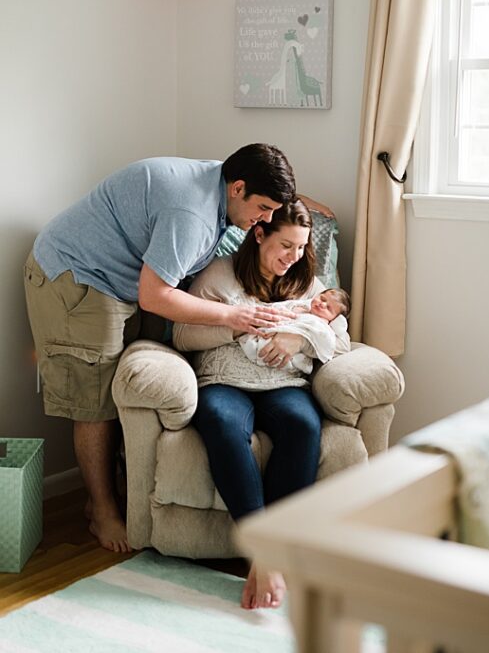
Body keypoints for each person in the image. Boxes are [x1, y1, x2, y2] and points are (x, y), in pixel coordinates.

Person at [23, 144, 300, 553]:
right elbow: (155, 296)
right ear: (238, 187)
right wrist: (231, 317)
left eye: (274, 212)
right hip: (77, 275)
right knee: (95, 400)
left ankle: (106, 497)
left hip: (121, 280)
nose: (266, 219)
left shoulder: (221, 188)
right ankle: (101, 509)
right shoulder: (190, 214)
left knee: (120, 388)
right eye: (263, 207)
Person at [173, 199, 350, 610]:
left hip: (283, 382)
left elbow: (339, 337)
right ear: (259, 234)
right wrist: (234, 326)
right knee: (220, 420)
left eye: (303, 247)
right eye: (286, 245)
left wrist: (300, 338)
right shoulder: (220, 274)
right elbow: (181, 335)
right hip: (225, 379)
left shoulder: (308, 283)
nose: (295, 257)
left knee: (303, 425)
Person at [238, 288, 350, 375]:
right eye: (323, 298)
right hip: (270, 330)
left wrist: (301, 340)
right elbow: (275, 308)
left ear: (334, 319)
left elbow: (329, 342)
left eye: (329, 308)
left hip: (290, 356)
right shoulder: (299, 305)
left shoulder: (323, 325)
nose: (322, 304)